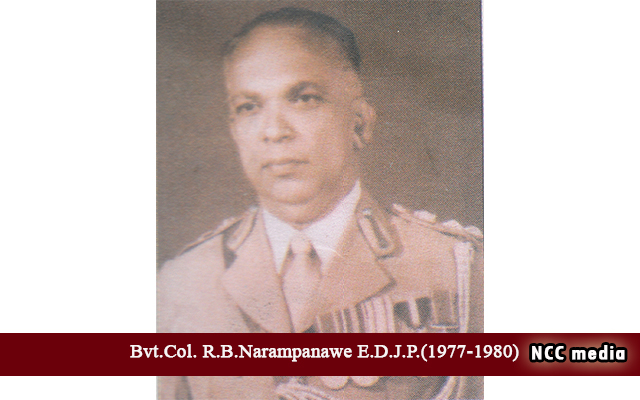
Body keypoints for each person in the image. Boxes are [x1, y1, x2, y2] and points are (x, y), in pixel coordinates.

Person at [157, 7, 483, 400]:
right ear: (234, 130)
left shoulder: (455, 269)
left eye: (304, 99)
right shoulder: (183, 284)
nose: (274, 131)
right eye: (249, 107)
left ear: (360, 122)